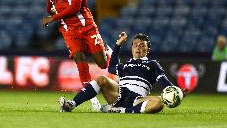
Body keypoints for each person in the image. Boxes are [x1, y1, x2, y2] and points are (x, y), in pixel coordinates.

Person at [41, 0, 112, 111]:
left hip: (86, 25)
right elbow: (50, 1)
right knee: (79, 59)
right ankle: (93, 99)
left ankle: (108, 52)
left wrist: (53, 18)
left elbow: (75, 7)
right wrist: (50, 10)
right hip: (68, 29)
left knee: (102, 64)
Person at [58, 32, 188, 113]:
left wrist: (174, 92)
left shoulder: (152, 64)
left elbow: (163, 80)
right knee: (102, 79)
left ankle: (119, 111)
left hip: (137, 99)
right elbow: (111, 68)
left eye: (142, 45)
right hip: (118, 94)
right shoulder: (125, 64)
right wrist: (118, 45)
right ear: (131, 48)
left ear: (147, 50)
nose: (138, 47)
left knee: (160, 102)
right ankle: (71, 104)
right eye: (136, 44)